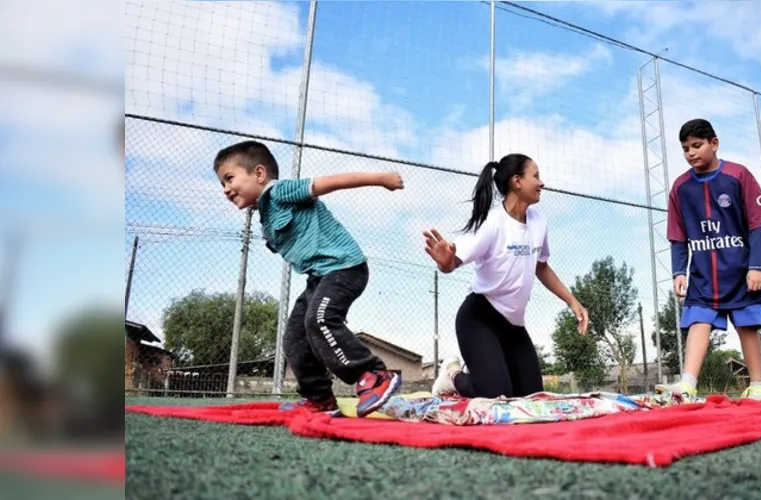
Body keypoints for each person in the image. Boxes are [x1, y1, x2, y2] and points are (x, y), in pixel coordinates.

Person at [213, 140, 404, 417]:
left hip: (344, 267)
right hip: (319, 277)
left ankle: (373, 375)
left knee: (320, 319)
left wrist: (381, 179)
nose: (226, 189)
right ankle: (320, 399)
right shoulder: (265, 216)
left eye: (229, 179)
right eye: (222, 184)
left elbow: (332, 182)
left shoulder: (281, 191)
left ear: (258, 174)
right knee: (295, 338)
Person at [423, 153, 589, 399]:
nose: (541, 183)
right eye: (536, 176)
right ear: (517, 181)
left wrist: (572, 301)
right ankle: (453, 376)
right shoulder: (492, 222)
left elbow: (541, 266)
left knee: (531, 398)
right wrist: (445, 262)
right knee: (496, 396)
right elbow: (452, 262)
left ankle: (480, 374)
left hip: (513, 325)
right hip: (479, 318)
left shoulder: (538, 221)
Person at [656, 119, 761, 402]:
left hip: (740, 271)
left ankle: (758, 386)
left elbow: (757, 224)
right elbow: (678, 235)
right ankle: (687, 384)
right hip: (702, 274)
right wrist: (678, 271)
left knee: (747, 324)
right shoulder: (681, 187)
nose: (691, 153)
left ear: (714, 143)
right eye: (685, 148)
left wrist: (757, 266)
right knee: (698, 320)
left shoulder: (738, 175)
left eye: (697, 145)